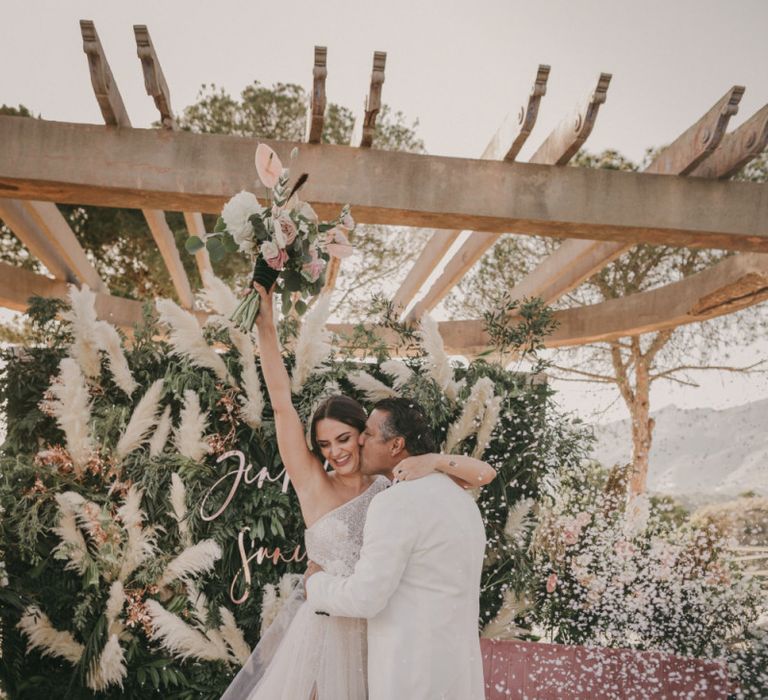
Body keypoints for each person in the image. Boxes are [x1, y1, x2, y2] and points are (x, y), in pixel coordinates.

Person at [220, 285, 496, 700]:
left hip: (378, 632)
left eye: (346, 438)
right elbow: (280, 404)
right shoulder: (313, 483)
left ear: (365, 436)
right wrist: (266, 326)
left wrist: (435, 460)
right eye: (325, 444)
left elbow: (483, 474)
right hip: (325, 629)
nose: (336, 452)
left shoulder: (392, 485)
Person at [305, 397, 488, 700]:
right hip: (459, 675)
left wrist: (317, 583)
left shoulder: (394, 503)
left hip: (409, 678)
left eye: (369, 434)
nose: (359, 441)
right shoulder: (460, 499)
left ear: (396, 445)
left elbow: (366, 598)